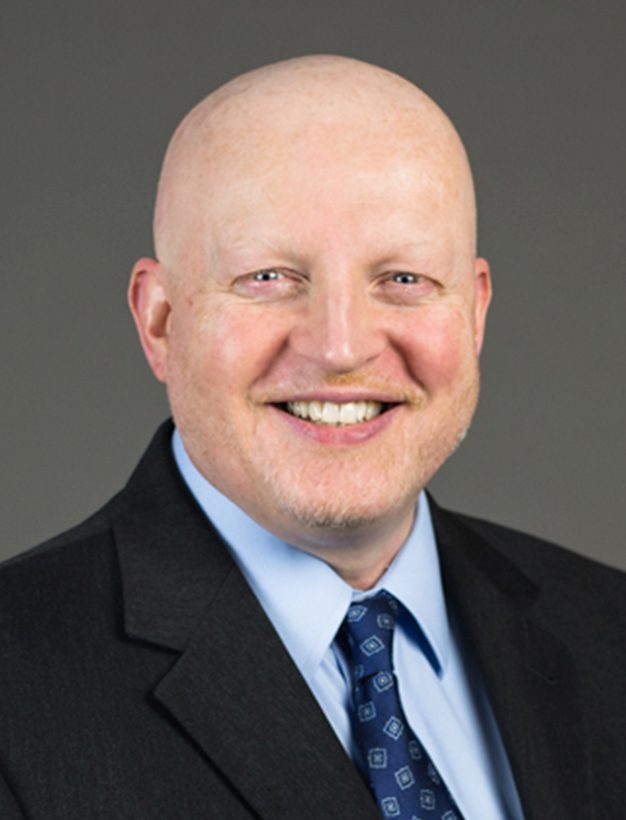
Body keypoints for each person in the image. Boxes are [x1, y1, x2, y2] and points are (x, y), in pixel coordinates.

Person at [0, 55, 623, 820]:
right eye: (269, 277)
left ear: (475, 312)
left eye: (403, 279)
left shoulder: (608, 633)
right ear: (160, 320)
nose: (339, 347)